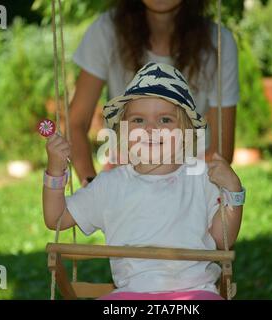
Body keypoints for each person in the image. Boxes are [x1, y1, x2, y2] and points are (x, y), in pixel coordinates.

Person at [43, 62, 245, 300]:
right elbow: (56, 218)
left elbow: (223, 240)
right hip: (130, 295)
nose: (150, 129)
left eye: (165, 120)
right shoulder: (111, 185)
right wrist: (56, 171)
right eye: (138, 120)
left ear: (186, 131)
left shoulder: (200, 177)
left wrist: (234, 191)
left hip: (195, 292)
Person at [69, 0, 239, 185]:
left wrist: (171, 191)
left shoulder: (219, 42)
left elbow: (221, 152)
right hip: (126, 188)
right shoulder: (105, 31)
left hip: (193, 188)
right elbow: (75, 123)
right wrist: (93, 188)